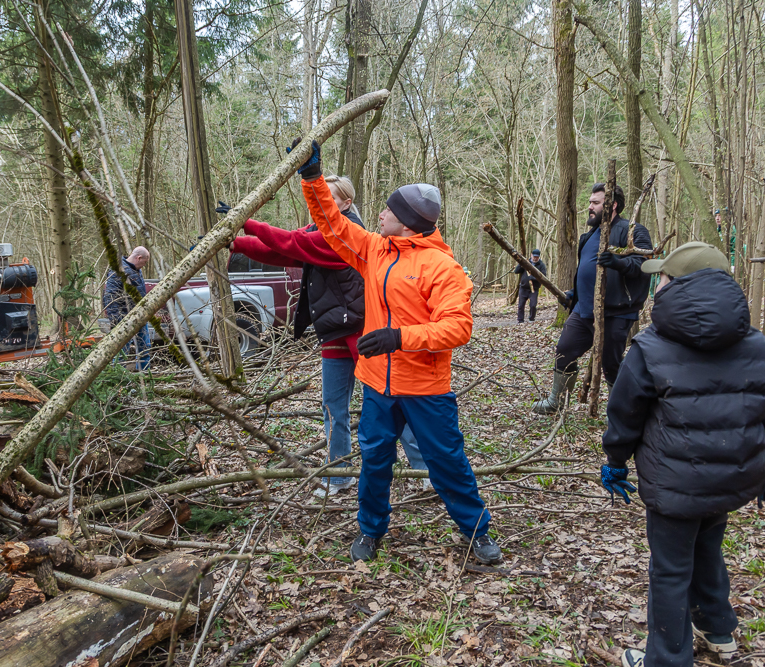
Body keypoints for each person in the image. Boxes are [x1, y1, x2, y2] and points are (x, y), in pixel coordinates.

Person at [292, 138, 502, 565]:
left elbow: (458, 327)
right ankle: (370, 530)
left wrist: (399, 337)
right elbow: (332, 225)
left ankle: (477, 532)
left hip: (425, 388)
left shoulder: (442, 267)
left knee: (447, 463)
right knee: (374, 461)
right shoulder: (374, 250)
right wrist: (312, 177)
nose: (380, 214)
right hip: (376, 386)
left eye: (388, 210)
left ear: (407, 222)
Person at [599, 241, 765, 667]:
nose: (656, 283)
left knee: (670, 569)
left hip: (674, 485)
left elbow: (625, 413)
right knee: (706, 547)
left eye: (661, 277)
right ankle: (719, 632)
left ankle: (665, 659)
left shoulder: (649, 347)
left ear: (675, 285)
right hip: (731, 480)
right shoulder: (759, 346)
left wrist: (614, 462)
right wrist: (758, 465)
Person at [226, 178, 432, 497]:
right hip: (334, 331)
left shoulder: (347, 235)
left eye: (330, 199)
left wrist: (247, 223)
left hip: (364, 331)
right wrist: (235, 243)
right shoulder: (318, 231)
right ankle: (339, 475)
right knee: (333, 407)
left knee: (391, 402)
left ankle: (426, 471)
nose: (321, 205)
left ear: (346, 204)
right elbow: (285, 254)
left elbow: (292, 242)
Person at [532, 183, 652, 414]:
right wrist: (574, 295)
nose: (589, 207)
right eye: (590, 202)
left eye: (595, 203)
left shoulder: (633, 231)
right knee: (564, 350)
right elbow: (585, 273)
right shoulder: (588, 236)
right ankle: (556, 401)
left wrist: (618, 262)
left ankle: (622, 412)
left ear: (612, 205)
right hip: (584, 311)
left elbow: (645, 264)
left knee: (610, 363)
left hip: (616, 312)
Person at [103, 246, 151, 370]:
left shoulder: (136, 269)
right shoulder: (117, 271)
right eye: (144, 262)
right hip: (124, 318)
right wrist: (117, 320)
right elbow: (110, 297)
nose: (144, 265)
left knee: (145, 346)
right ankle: (118, 376)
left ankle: (145, 373)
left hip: (140, 315)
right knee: (122, 349)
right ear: (138, 258)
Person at [513, 249, 546, 323]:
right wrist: (520, 264)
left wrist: (533, 278)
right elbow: (516, 271)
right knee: (521, 305)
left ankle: (531, 319)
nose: (535, 258)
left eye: (537, 257)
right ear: (531, 255)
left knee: (533, 305)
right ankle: (520, 320)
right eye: (534, 256)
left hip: (534, 289)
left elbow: (543, 277)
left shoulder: (541, 265)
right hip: (523, 288)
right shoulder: (526, 263)